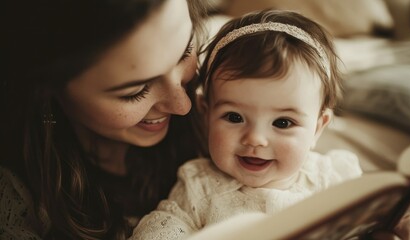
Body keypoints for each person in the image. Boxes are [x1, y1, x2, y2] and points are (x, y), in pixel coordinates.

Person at [129, 9, 365, 240]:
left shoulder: (333, 179)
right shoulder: (199, 186)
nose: (255, 139)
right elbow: (167, 225)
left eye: (282, 122)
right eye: (234, 117)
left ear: (317, 128)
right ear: (205, 113)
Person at [0, 0, 208, 239]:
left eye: (184, 53)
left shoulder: (224, 104)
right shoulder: (16, 198)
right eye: (135, 91)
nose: (183, 106)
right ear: (46, 89)